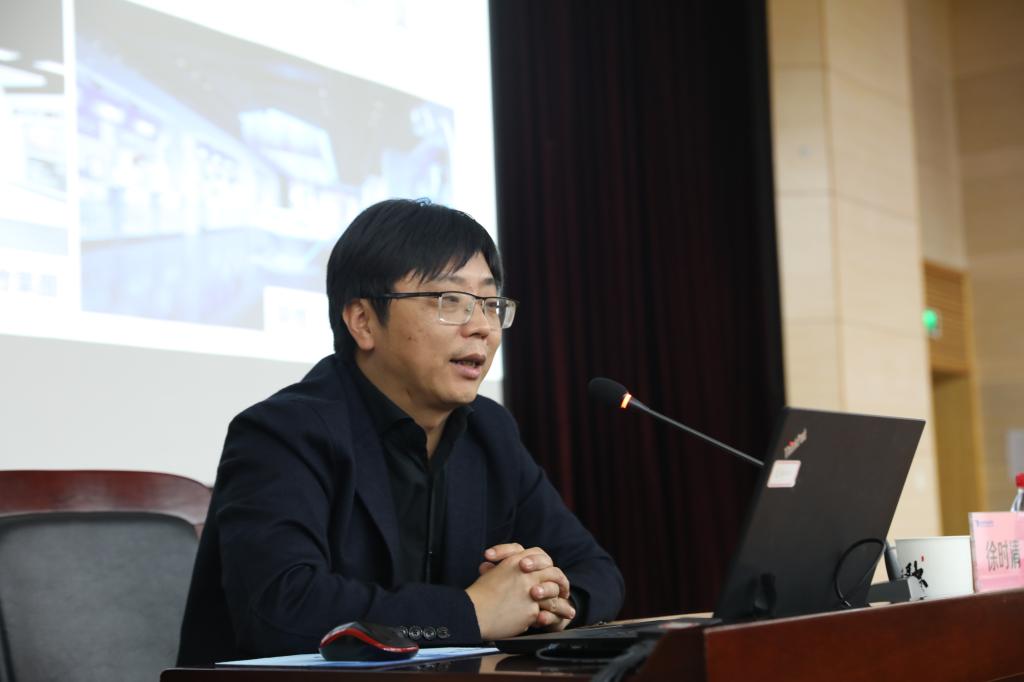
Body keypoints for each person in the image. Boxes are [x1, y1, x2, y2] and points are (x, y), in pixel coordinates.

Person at [177, 199, 624, 665]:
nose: (482, 328)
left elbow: (595, 571)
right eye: (451, 301)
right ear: (363, 321)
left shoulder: (489, 431)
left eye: (491, 304)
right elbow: (281, 608)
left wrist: (549, 600)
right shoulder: (281, 433)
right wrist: (472, 612)